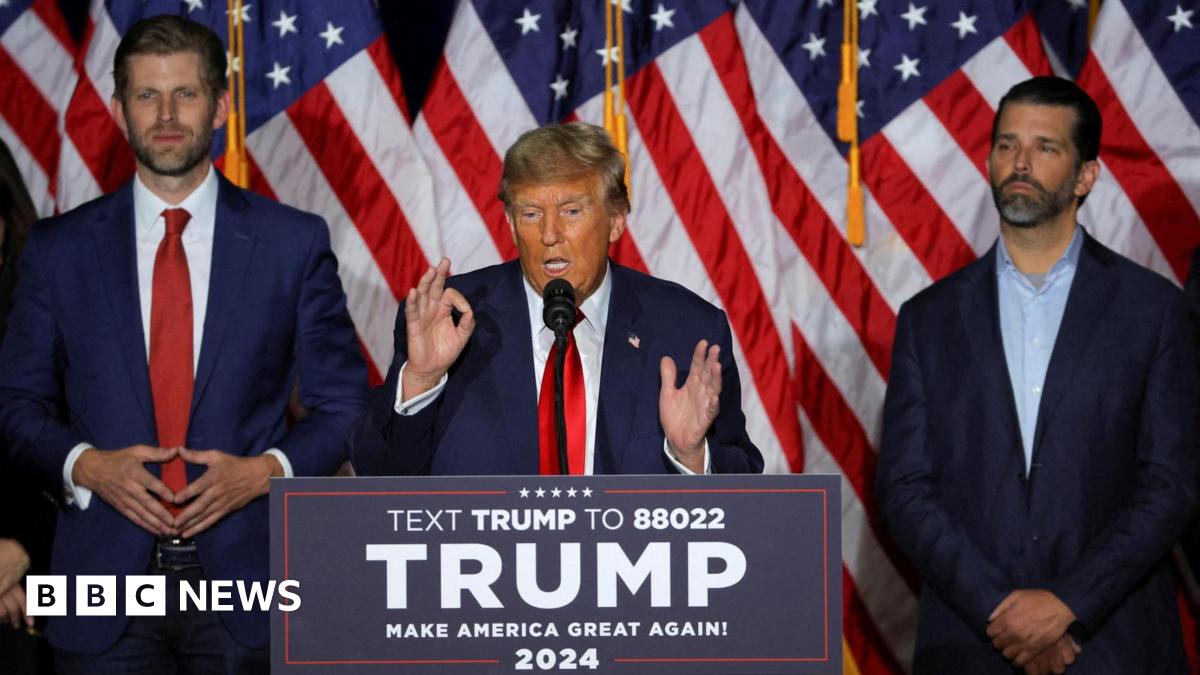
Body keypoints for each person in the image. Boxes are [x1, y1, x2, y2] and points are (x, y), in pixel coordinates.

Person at [0, 15, 368, 672]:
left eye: (185, 94)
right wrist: (86, 465)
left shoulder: (293, 242)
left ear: (220, 104)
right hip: (97, 594)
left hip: (250, 591)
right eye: (147, 95)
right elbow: (17, 407)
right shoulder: (58, 251)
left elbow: (343, 409)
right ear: (118, 110)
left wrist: (264, 473)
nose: (166, 115)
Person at [877, 75, 1198, 674]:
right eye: (1006, 145)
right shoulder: (929, 318)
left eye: (1045, 147)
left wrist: (1069, 606)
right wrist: (1002, 611)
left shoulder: (1153, 311)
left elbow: (1170, 482)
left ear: (1085, 176)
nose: (1019, 162)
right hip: (973, 644)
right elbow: (905, 488)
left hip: (1114, 644)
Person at [352, 122, 761, 477]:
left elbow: (743, 485)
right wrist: (422, 379)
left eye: (571, 211)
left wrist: (691, 455)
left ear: (616, 219)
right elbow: (379, 475)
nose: (549, 234)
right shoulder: (452, 317)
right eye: (530, 214)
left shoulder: (686, 328)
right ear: (511, 223)